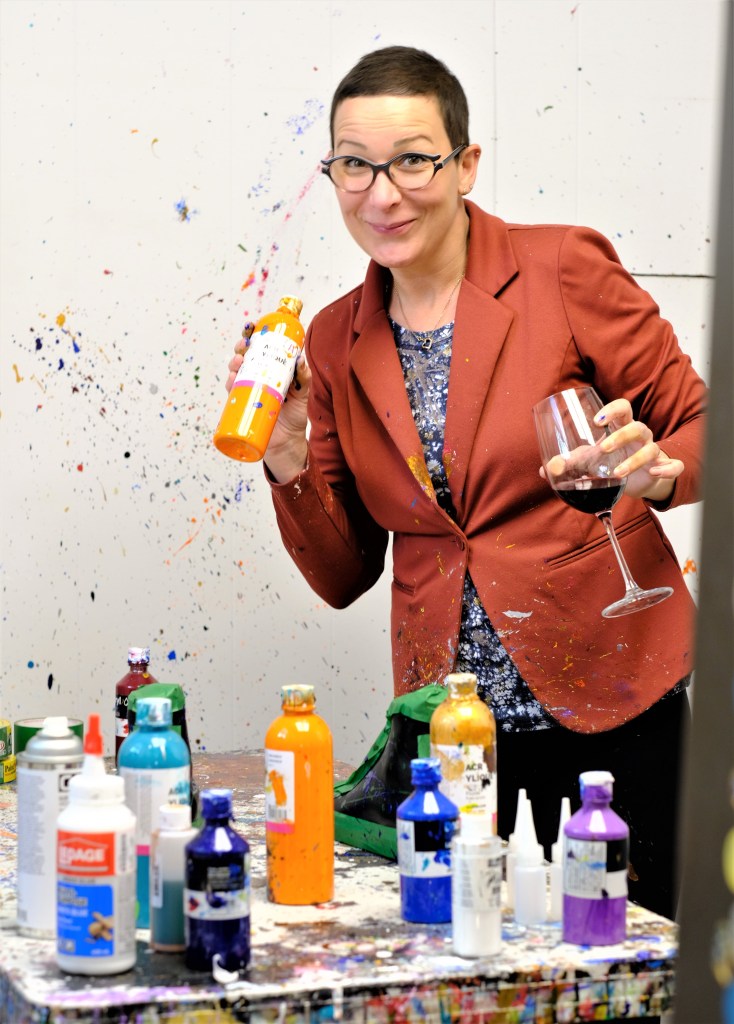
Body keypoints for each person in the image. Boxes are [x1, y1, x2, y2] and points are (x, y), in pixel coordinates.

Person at [226, 46, 707, 919]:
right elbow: (343, 574)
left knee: (633, 961)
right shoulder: (333, 339)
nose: (382, 194)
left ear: (465, 164)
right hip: (453, 736)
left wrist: (662, 473)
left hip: (614, 706)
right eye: (355, 165)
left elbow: (705, 423)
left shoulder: (561, 266)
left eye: (412, 160)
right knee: (475, 960)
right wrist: (287, 453)